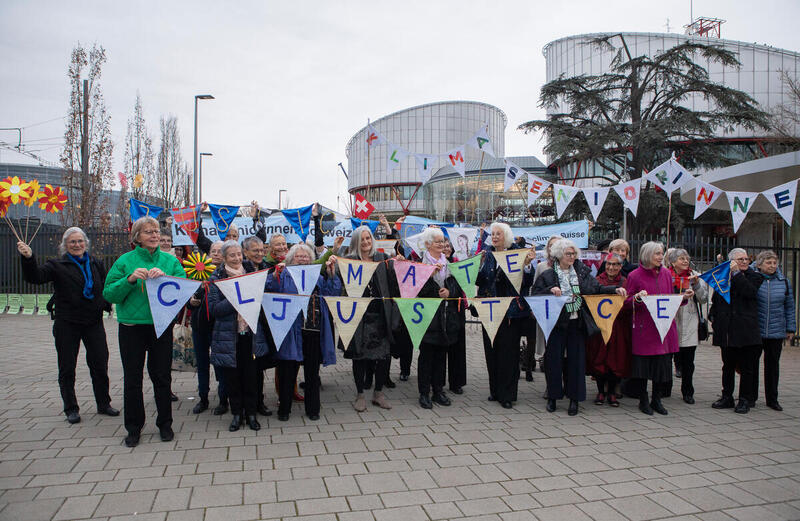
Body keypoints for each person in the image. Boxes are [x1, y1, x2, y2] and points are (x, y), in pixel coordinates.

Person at [17, 229, 118, 424]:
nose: (77, 245)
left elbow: (105, 285)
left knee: (99, 363)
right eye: (72, 242)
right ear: (65, 245)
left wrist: (106, 303)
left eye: (80, 241)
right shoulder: (56, 265)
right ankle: (71, 408)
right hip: (67, 322)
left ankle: (104, 403)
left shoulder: (95, 263)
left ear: (85, 243)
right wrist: (28, 258)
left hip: (93, 322)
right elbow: (35, 277)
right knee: (67, 367)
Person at [103, 216, 186, 447]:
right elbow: (109, 294)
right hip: (131, 327)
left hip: (161, 326)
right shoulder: (125, 261)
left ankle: (165, 424)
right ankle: (133, 427)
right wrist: (129, 280)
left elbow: (183, 289)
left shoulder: (170, 262)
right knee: (132, 378)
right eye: (148, 232)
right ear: (137, 237)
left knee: (162, 376)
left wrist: (167, 278)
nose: (154, 235)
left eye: (156, 231)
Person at [530, 239, 626, 416]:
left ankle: (574, 399)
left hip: (576, 322)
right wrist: (551, 290)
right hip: (556, 324)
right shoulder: (549, 275)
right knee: (554, 361)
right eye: (568, 254)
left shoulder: (581, 272)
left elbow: (596, 288)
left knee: (576, 361)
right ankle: (553, 396)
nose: (572, 257)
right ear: (559, 255)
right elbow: (535, 295)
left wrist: (614, 290)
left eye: (574, 253)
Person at [266, 244, 340, 421]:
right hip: (291, 331)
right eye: (298, 256)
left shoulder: (317, 277)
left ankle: (313, 409)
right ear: (291, 259)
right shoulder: (284, 274)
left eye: (306, 256)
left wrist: (331, 274)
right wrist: (275, 274)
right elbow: (269, 287)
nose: (303, 259)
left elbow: (332, 292)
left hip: (313, 330)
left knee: (312, 373)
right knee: (287, 372)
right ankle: (284, 409)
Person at [208, 240, 272, 432]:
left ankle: (251, 413)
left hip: (250, 334)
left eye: (239, 254)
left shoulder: (252, 274)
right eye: (232, 255)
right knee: (232, 378)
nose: (237, 258)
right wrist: (235, 297)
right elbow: (214, 309)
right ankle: (237, 414)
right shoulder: (216, 278)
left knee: (251, 376)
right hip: (229, 336)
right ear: (225, 258)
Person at [339, 225, 398, 412]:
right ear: (356, 241)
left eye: (368, 238)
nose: (366, 242)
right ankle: (360, 395)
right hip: (359, 316)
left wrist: (400, 263)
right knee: (360, 357)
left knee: (383, 357)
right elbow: (338, 279)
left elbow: (394, 281)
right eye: (362, 239)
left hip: (381, 315)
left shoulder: (382, 259)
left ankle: (378, 394)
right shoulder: (349, 260)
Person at [624, 241, 686, 416]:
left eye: (661, 253)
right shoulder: (634, 276)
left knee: (661, 366)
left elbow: (669, 298)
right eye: (657, 254)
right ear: (647, 255)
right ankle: (643, 399)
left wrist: (683, 297)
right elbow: (627, 302)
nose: (660, 257)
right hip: (645, 328)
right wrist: (636, 298)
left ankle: (656, 398)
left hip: (664, 327)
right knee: (643, 367)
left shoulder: (666, 274)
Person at [476, 222, 531, 409]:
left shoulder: (518, 252)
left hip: (510, 312)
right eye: (493, 234)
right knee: (492, 351)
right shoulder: (489, 254)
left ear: (506, 236)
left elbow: (527, 282)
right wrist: (478, 265)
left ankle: (507, 395)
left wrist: (527, 267)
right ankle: (495, 390)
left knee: (508, 353)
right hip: (489, 310)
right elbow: (481, 280)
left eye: (498, 233)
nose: (495, 237)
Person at [709, 248, 763, 414]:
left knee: (747, 367)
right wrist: (715, 318)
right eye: (740, 259)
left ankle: (745, 399)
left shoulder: (754, 276)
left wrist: (737, 274)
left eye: (746, 259)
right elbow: (717, 299)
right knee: (728, 366)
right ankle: (727, 396)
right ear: (731, 261)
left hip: (746, 329)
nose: (745, 261)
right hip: (727, 330)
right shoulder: (723, 277)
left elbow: (749, 292)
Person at [416, 227, 464, 408]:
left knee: (441, 356)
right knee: (427, 356)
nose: (442, 244)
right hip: (428, 317)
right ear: (428, 244)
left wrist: (450, 292)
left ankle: (438, 390)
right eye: (437, 242)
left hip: (447, 317)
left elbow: (459, 288)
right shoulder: (420, 265)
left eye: (443, 241)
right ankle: (423, 393)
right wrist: (435, 287)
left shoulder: (450, 265)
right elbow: (416, 290)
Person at [187, 240, 227, 415]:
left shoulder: (227, 274)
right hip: (199, 325)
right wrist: (191, 302)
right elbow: (187, 300)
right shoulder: (196, 272)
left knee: (221, 365)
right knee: (202, 363)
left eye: (220, 251)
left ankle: (223, 399)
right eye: (213, 251)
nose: (216, 254)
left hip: (219, 327)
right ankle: (203, 397)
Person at [585, 252, 630, 407]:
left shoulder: (625, 282)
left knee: (615, 359)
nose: (611, 267)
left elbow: (628, 303)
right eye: (609, 264)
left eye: (615, 264)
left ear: (620, 266)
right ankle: (600, 391)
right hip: (600, 326)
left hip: (617, 326)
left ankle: (612, 392)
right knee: (599, 358)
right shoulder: (597, 281)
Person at [754, 250, 795, 411]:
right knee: (752, 365)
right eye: (768, 262)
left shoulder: (783, 281)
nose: (772, 266)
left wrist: (791, 327)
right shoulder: (754, 279)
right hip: (756, 329)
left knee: (772, 366)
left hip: (776, 329)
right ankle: (751, 396)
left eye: (774, 263)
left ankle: (772, 398)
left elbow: (789, 306)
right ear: (760, 264)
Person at [667, 248, 708, 405]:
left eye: (687, 258)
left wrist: (697, 285)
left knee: (688, 360)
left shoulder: (695, 276)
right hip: (672, 318)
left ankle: (688, 391)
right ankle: (665, 387)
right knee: (667, 357)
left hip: (690, 319)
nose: (685, 261)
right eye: (681, 259)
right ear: (672, 262)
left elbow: (704, 299)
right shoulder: (666, 275)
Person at [529, 236, 563, 379]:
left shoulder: (568, 266)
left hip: (562, 313)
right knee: (547, 346)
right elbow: (535, 287)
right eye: (550, 245)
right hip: (546, 311)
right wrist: (533, 307)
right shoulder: (542, 266)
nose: (552, 248)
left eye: (556, 245)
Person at [442, 236, 467, 394]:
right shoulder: (432, 264)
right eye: (443, 245)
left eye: (448, 246)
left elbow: (464, 285)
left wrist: (451, 292)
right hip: (440, 312)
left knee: (457, 348)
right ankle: (437, 382)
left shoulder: (458, 264)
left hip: (456, 310)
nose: (446, 248)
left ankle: (456, 382)